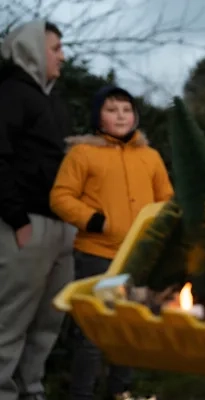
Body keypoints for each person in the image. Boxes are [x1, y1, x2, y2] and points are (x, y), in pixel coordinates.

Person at [50, 85, 174, 399]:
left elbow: (167, 201)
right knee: (91, 335)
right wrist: (94, 220)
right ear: (98, 117)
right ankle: (81, 394)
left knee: (130, 330)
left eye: (126, 109)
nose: (121, 116)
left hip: (140, 258)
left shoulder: (150, 156)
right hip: (96, 256)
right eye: (111, 109)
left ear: (135, 116)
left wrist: (162, 232)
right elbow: (60, 196)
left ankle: (122, 393)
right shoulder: (82, 153)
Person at [0, 20, 75, 400]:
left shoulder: (52, 102)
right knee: (8, 322)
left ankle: (32, 391)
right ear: (31, 49)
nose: (63, 55)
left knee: (48, 323)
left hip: (61, 228)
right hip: (25, 226)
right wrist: (17, 219)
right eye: (55, 48)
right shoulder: (12, 94)